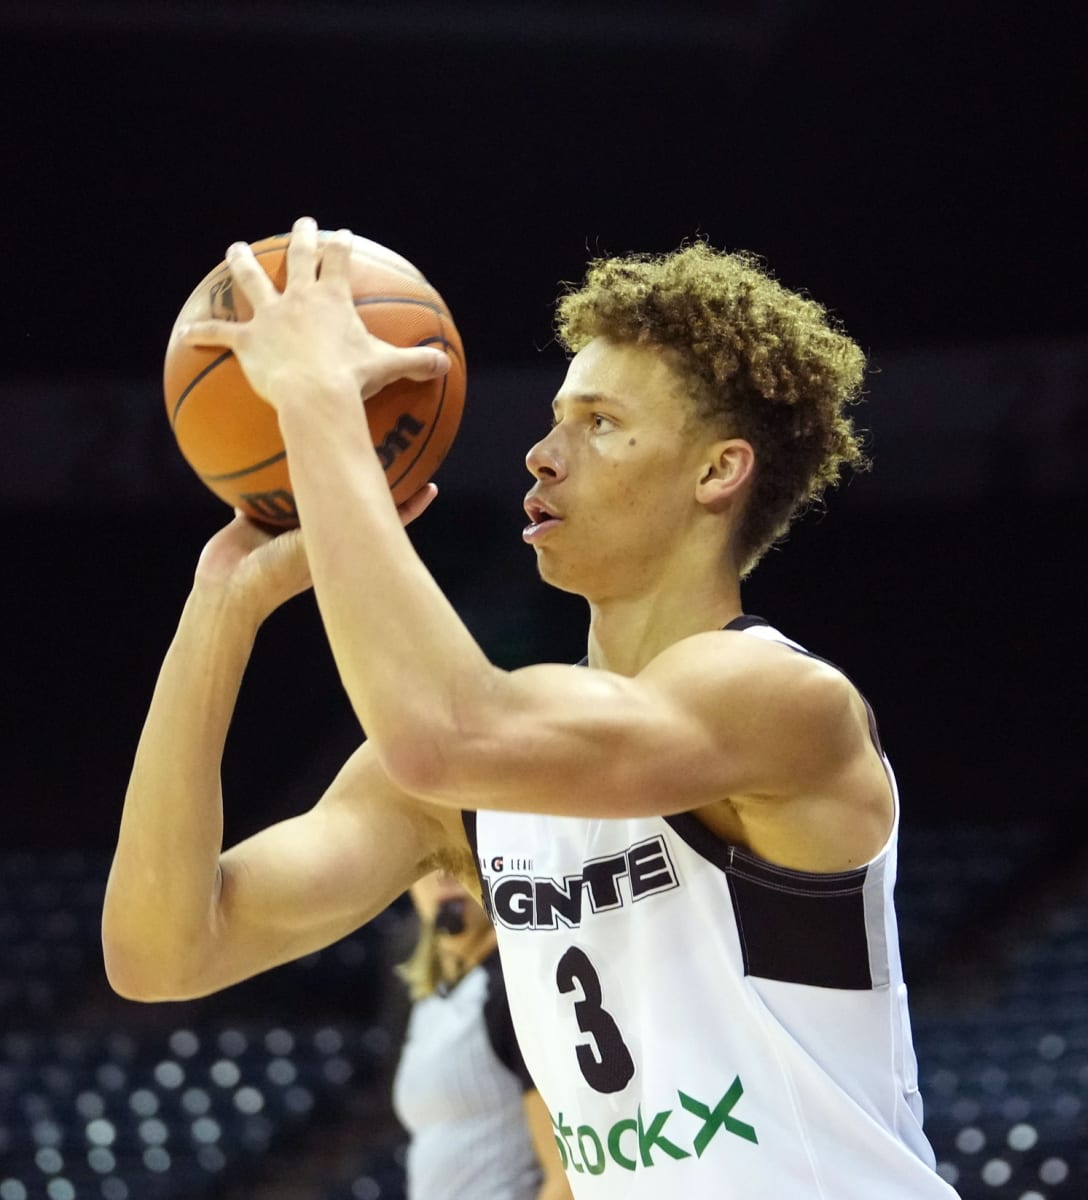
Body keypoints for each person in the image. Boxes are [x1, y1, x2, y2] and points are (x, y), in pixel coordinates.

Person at [103, 216, 959, 1197]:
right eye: (555, 419)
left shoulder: (782, 703)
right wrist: (221, 610)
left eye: (599, 423)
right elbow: (161, 952)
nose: (543, 455)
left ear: (717, 471)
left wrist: (321, 404)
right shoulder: (479, 775)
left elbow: (450, 732)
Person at [391, 871, 571, 1200]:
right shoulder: (431, 1000)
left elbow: (567, 1177)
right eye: (429, 864)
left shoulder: (511, 990)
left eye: (458, 858)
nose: (444, 875)